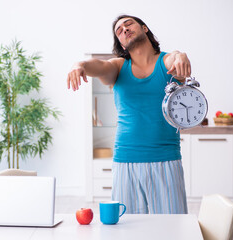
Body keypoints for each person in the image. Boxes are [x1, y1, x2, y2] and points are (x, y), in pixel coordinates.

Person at [67, 15, 191, 214]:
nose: (124, 29)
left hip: (166, 158)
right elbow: (99, 65)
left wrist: (180, 55)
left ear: (144, 28)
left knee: (172, 227)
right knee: (126, 228)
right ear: (122, 45)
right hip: (126, 160)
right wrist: (79, 65)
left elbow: (175, 58)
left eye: (128, 24)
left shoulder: (166, 62)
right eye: (118, 30)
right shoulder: (117, 67)